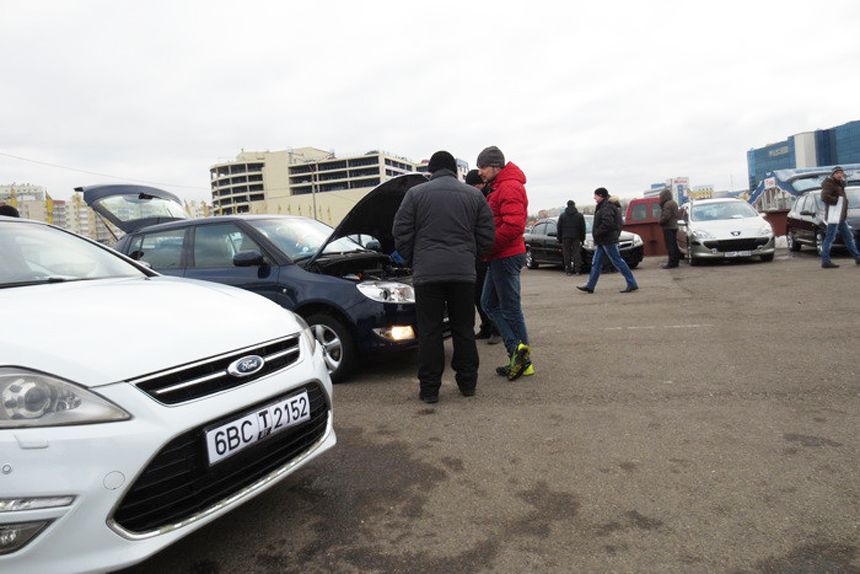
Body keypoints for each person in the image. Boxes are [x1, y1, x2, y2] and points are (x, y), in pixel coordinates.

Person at [393, 151, 495, 403]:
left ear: (432, 171)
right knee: (463, 329)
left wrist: (412, 259)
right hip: (463, 274)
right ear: (454, 170)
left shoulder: (414, 195)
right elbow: (487, 234)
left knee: (430, 331)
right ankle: (468, 383)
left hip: (427, 275)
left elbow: (401, 231)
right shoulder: (474, 195)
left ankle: (429, 390)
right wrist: (471, 256)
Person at [477, 145, 534, 381]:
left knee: (510, 309)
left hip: (506, 255)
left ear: (495, 166)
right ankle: (518, 353)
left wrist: (488, 246)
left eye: (482, 167)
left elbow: (513, 226)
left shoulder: (509, 186)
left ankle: (522, 359)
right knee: (488, 303)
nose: (480, 172)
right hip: (500, 255)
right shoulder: (500, 185)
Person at [577, 188, 639, 293]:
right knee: (596, 263)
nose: (594, 198)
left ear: (601, 196)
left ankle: (632, 283)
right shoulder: (606, 206)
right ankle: (590, 286)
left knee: (617, 261)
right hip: (603, 240)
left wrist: (597, 233)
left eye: (595, 196)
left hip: (607, 240)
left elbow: (608, 223)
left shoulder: (606, 207)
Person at [465, 169, 501, 345]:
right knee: (477, 295)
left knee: (490, 296)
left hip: (486, 255)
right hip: (476, 256)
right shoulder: (474, 198)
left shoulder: (489, 198)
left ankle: (497, 329)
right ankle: (486, 327)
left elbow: (488, 228)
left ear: (480, 185)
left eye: (474, 186)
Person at [820, 166, 860, 268]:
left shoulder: (839, 184)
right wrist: (837, 201)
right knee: (830, 238)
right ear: (833, 174)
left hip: (840, 216)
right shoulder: (829, 184)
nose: (839, 175)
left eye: (841, 173)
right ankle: (825, 261)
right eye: (837, 173)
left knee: (849, 237)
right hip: (834, 215)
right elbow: (824, 197)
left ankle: (857, 257)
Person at [556, 200, 586, 275]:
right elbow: (583, 228)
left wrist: (559, 238)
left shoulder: (562, 216)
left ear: (567, 205)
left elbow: (559, 228)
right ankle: (577, 270)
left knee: (566, 253)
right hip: (576, 236)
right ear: (574, 205)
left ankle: (568, 270)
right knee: (577, 253)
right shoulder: (579, 215)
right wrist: (582, 239)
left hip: (565, 237)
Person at [658, 188, 680, 268]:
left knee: (670, 246)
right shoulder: (674, 203)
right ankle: (676, 262)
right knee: (674, 245)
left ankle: (671, 263)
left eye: (661, 196)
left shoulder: (667, 204)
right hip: (674, 226)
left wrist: (660, 221)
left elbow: (666, 216)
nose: (660, 197)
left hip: (668, 227)